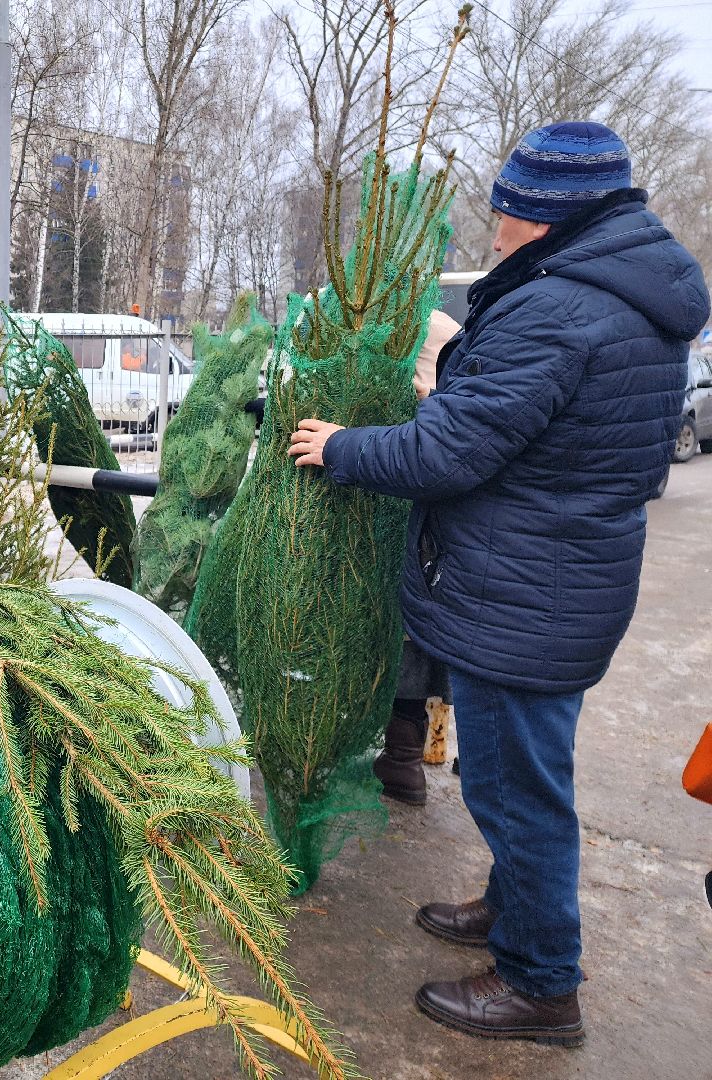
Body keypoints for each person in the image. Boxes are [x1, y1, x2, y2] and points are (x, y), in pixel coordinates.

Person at [287, 122, 709, 1045]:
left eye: (507, 212)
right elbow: (545, 435)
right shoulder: (622, 292)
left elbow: (451, 450)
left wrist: (343, 448)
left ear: (552, 216)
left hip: (527, 590)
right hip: (560, 574)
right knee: (511, 771)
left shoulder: (565, 308)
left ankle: (541, 981)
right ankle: (509, 906)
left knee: (520, 789)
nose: (494, 230)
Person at [375, 307, 462, 806]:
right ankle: (407, 759)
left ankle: (404, 759)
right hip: (431, 499)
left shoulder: (410, 323)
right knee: (426, 637)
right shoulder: (443, 323)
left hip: (408, 484)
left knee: (411, 634)